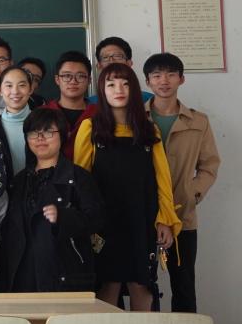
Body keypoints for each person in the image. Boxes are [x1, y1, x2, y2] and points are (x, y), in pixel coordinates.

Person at [74, 63, 181, 311]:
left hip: (141, 218)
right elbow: (80, 180)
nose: (119, 90)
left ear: (134, 89)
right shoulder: (90, 127)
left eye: (125, 84)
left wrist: (165, 220)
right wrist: (84, 222)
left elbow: (162, 179)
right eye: (111, 84)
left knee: (141, 284)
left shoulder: (149, 129)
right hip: (104, 221)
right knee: (108, 284)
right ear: (102, 91)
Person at [143, 52, 220, 313]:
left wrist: (192, 194)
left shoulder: (198, 121)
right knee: (142, 285)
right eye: (156, 75)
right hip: (144, 213)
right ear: (148, 82)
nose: (164, 81)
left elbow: (209, 165)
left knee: (184, 285)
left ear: (181, 79)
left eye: (171, 74)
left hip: (182, 214)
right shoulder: (135, 119)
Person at [0, 108, 103, 292]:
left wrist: (64, 217)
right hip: (22, 274)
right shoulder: (18, 181)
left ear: (62, 135)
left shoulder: (79, 177)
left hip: (64, 273)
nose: (40, 138)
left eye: (48, 132)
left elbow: (97, 220)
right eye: (33, 133)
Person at [42, 50, 97, 159]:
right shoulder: (42, 113)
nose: (73, 81)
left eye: (80, 76)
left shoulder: (100, 114)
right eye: (67, 76)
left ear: (89, 80)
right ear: (57, 79)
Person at [0, 66, 34, 180]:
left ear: (31, 89)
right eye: (9, 86)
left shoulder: (43, 123)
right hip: (2, 189)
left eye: (22, 85)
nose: (15, 91)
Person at [86, 36, 153, 103]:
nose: (111, 61)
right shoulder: (90, 103)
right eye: (105, 57)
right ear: (99, 66)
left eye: (117, 56)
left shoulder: (149, 100)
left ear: (129, 63)